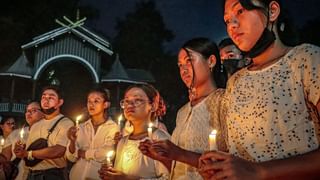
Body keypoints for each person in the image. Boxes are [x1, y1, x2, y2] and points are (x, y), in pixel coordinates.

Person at [198, 0, 320, 179]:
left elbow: (250, 169)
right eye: (227, 20)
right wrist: (220, 166)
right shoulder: (235, 83)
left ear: (272, 11)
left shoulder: (306, 60)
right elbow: (236, 153)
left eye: (240, 11)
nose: (232, 25)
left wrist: (259, 171)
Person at [140, 38, 228, 180]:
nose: (183, 69)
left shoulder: (224, 102)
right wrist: (163, 157)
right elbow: (179, 167)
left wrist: (179, 153)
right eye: (180, 65)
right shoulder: (182, 112)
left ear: (211, 61)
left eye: (189, 61)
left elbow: (233, 164)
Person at [99, 84, 170, 180]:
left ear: (152, 106)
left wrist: (127, 178)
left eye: (137, 100)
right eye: (127, 101)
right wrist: (111, 174)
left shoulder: (159, 139)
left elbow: (169, 177)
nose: (130, 105)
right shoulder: (123, 142)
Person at [14, 85, 74, 180]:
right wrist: (20, 150)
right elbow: (28, 152)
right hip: (31, 173)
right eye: (43, 97)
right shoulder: (36, 125)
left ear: (60, 102)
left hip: (51, 175)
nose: (46, 100)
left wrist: (28, 153)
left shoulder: (65, 123)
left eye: (51, 97)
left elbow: (58, 151)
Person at [66, 87, 119, 180]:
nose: (91, 104)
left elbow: (105, 153)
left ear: (106, 104)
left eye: (96, 101)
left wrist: (83, 153)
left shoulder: (113, 127)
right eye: (89, 101)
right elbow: (71, 157)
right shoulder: (81, 127)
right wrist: (72, 141)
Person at [1, 101, 44, 180]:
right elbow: (4, 159)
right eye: (27, 111)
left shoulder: (48, 134)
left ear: (43, 113)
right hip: (17, 176)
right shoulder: (15, 133)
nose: (29, 113)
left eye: (33, 110)